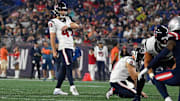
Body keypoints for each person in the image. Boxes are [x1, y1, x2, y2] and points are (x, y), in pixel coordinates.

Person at [138, 16, 180, 101]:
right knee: (142, 72)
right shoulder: (150, 43)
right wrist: (150, 72)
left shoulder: (172, 39)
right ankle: (137, 96)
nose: (165, 41)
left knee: (157, 78)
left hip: (170, 59)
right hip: (156, 58)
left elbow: (165, 53)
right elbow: (147, 60)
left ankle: (167, 99)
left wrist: (174, 70)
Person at [49, 2, 80, 96]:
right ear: (57, 11)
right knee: (69, 66)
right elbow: (52, 37)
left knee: (63, 69)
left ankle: (57, 89)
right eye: (62, 10)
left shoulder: (67, 18)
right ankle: (72, 86)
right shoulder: (53, 22)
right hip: (63, 47)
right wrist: (54, 50)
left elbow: (77, 26)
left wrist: (69, 26)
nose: (64, 12)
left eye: (65, 10)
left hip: (70, 46)